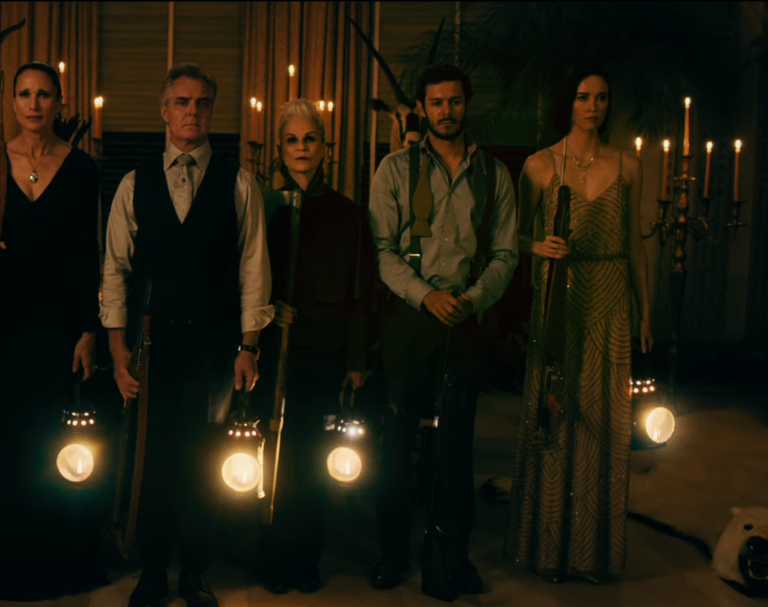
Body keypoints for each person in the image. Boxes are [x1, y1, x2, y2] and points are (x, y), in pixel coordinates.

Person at [102, 63, 273, 607]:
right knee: (152, 459)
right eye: (182, 101)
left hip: (216, 347)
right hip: (153, 346)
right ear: (164, 110)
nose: (192, 111)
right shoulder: (134, 183)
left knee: (205, 460)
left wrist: (249, 346)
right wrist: (117, 346)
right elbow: (114, 270)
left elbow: (254, 269)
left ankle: (195, 572)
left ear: (212, 112)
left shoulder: (239, 183)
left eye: (202, 102)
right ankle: (152, 571)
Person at [366, 63, 518, 601]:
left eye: (454, 101)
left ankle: (454, 555)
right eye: (436, 102)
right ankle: (391, 552)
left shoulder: (494, 174)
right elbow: (382, 249)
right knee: (396, 442)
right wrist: (424, 294)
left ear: (465, 104)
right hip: (410, 318)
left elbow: (505, 253)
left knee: (456, 447)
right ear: (422, 109)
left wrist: (473, 299)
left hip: (465, 319)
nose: (446, 111)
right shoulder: (394, 169)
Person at [0, 61, 106, 601]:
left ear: (59, 102)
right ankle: (2, 562)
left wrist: (88, 330)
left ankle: (55, 562)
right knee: (3, 440)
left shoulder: (82, 168)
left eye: (44, 94)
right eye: (24, 94)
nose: (34, 104)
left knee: (53, 441)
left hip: (57, 324)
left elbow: (86, 254)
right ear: (12, 103)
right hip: (2, 322)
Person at [505, 68, 653, 584]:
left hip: (610, 299)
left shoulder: (628, 165)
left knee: (606, 421)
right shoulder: (540, 164)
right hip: (558, 297)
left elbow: (634, 243)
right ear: (567, 103)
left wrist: (646, 310)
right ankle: (547, 549)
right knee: (555, 413)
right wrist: (537, 246)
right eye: (584, 97)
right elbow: (511, 238)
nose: (593, 106)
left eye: (602, 98)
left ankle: (593, 554)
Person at [256, 99, 375, 595]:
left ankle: (307, 557)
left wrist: (357, 359)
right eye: (292, 140)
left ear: (324, 147)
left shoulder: (348, 214)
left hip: (324, 350)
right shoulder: (266, 207)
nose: (301, 148)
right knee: (272, 455)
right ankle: (270, 554)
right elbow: (246, 275)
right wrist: (268, 309)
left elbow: (361, 290)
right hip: (273, 350)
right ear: (280, 149)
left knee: (311, 457)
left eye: (310, 139)